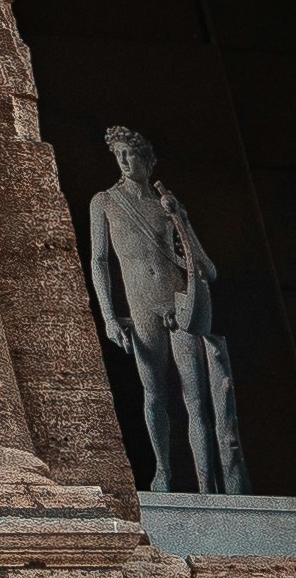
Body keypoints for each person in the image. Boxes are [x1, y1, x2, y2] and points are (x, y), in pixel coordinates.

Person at [82, 124, 245, 494]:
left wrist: (180, 219)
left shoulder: (165, 204)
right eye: (119, 155)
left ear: (147, 158)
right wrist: (108, 315)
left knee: (195, 397)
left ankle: (205, 482)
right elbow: (99, 261)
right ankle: (163, 471)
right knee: (153, 392)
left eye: (131, 154)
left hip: (178, 302)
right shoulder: (105, 202)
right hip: (142, 306)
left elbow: (206, 268)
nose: (125, 161)